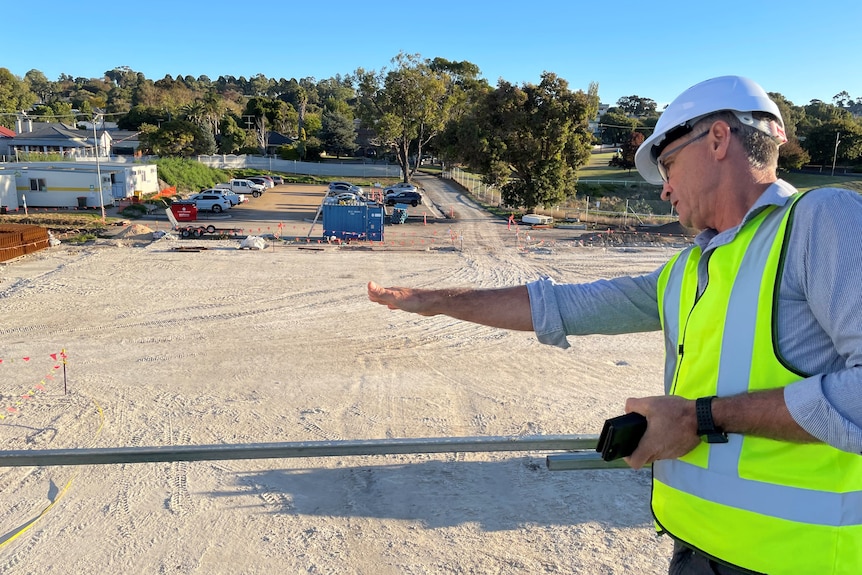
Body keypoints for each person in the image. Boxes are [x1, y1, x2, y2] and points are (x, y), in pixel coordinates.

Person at [368, 75, 862, 575]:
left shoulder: (820, 220)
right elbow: (563, 306)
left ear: (718, 139)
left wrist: (703, 417)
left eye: (668, 164)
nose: (665, 188)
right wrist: (436, 300)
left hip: (799, 561)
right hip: (696, 549)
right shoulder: (689, 269)